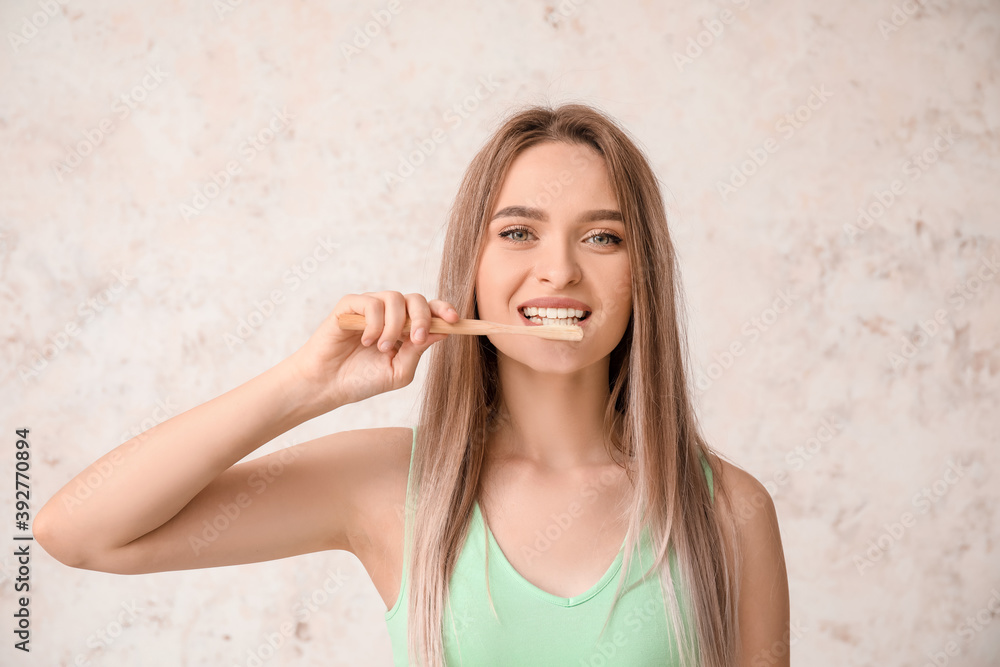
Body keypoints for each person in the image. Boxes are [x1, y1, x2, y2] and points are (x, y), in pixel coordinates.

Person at [36, 103, 789, 666]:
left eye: (602, 236)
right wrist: (307, 382)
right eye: (519, 232)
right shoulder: (394, 483)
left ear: (643, 276)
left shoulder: (731, 509)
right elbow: (78, 531)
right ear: (473, 267)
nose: (559, 268)